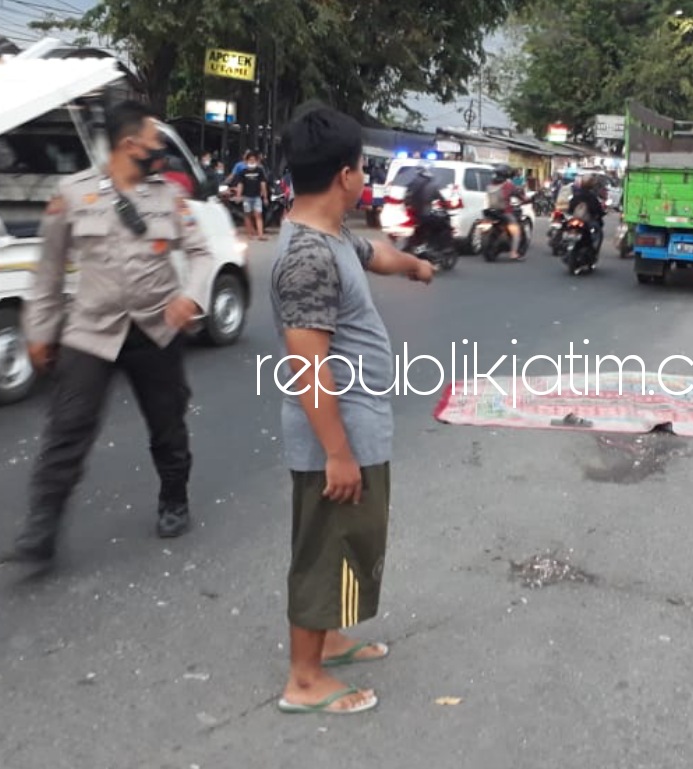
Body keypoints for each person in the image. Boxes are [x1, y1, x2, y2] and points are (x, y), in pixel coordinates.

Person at [269, 103, 435, 715]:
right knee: (324, 548)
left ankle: (330, 639)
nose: (365, 176)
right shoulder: (308, 257)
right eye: (362, 167)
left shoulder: (332, 235)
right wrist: (337, 452)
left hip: (357, 428)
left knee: (347, 543)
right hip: (335, 435)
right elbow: (307, 364)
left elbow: (375, 255)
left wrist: (415, 265)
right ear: (344, 175)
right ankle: (304, 680)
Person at [6, 101, 216, 565]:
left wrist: (192, 298)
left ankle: (174, 501)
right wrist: (39, 332)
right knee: (67, 428)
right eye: (154, 141)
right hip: (91, 330)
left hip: (157, 328)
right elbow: (48, 273)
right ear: (129, 145)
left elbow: (201, 253)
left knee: (168, 424)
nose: (160, 149)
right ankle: (42, 528)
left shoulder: (169, 197)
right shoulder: (73, 194)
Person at [485, 163, 526, 260]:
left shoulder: (490, 185)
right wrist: (526, 199)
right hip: (504, 213)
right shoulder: (508, 185)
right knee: (516, 231)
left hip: (490, 212)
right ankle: (513, 253)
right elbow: (520, 196)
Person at [404, 164, 449, 250]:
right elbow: (441, 198)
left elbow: (406, 197)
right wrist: (446, 206)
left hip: (412, 212)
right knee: (438, 226)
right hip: (425, 213)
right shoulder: (431, 185)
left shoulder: (411, 183)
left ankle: (413, 245)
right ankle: (432, 245)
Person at [235, 151, 270, 240]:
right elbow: (240, 184)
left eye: (253, 160)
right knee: (247, 215)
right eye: (250, 160)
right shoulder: (243, 172)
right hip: (246, 197)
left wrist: (265, 197)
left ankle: (260, 235)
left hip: (257, 197)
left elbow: (263, 184)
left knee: (258, 215)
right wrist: (238, 195)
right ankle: (249, 234)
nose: (252, 161)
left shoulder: (259, 171)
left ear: (256, 161)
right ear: (246, 161)